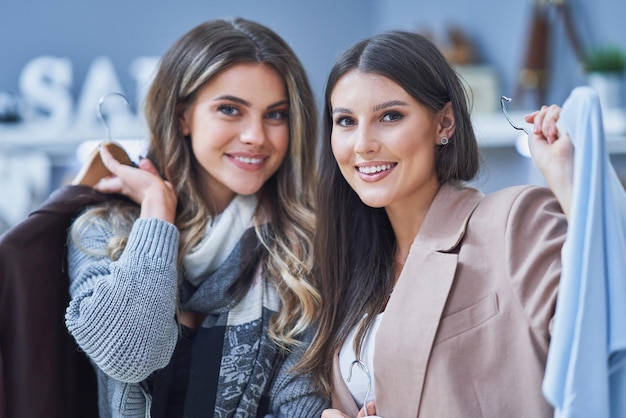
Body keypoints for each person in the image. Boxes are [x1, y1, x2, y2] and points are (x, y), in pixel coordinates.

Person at [299, 30, 573, 417]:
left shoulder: (513, 221)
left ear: (444, 123)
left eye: (389, 116)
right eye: (345, 121)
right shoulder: (344, 268)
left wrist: (569, 179)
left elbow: (598, 331)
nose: (362, 144)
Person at [64, 17, 328, 417]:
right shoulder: (103, 226)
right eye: (230, 110)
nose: (257, 135)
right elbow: (129, 354)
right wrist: (157, 214)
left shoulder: (301, 240)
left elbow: (297, 389)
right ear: (183, 116)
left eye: (276, 115)